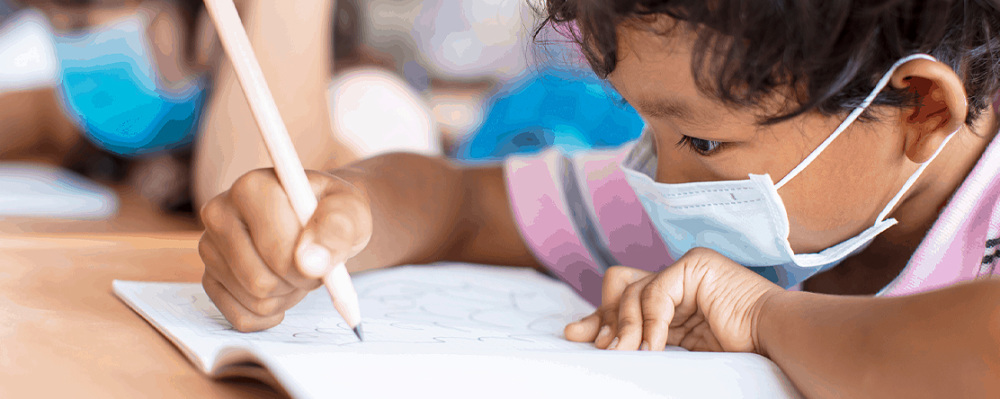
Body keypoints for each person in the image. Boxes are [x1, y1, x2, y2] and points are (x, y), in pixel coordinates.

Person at [197, 0, 1000, 397]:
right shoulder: (705, 185)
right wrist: (346, 213)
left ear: (923, 109)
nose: (660, 179)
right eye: (645, 121)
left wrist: (763, 318)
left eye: (704, 140)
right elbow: (456, 203)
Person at [0, 0, 360, 213]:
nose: (76, 52)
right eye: (53, 23)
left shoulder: (359, 106)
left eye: (81, 24)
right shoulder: (153, 133)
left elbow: (252, 203)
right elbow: (36, 115)